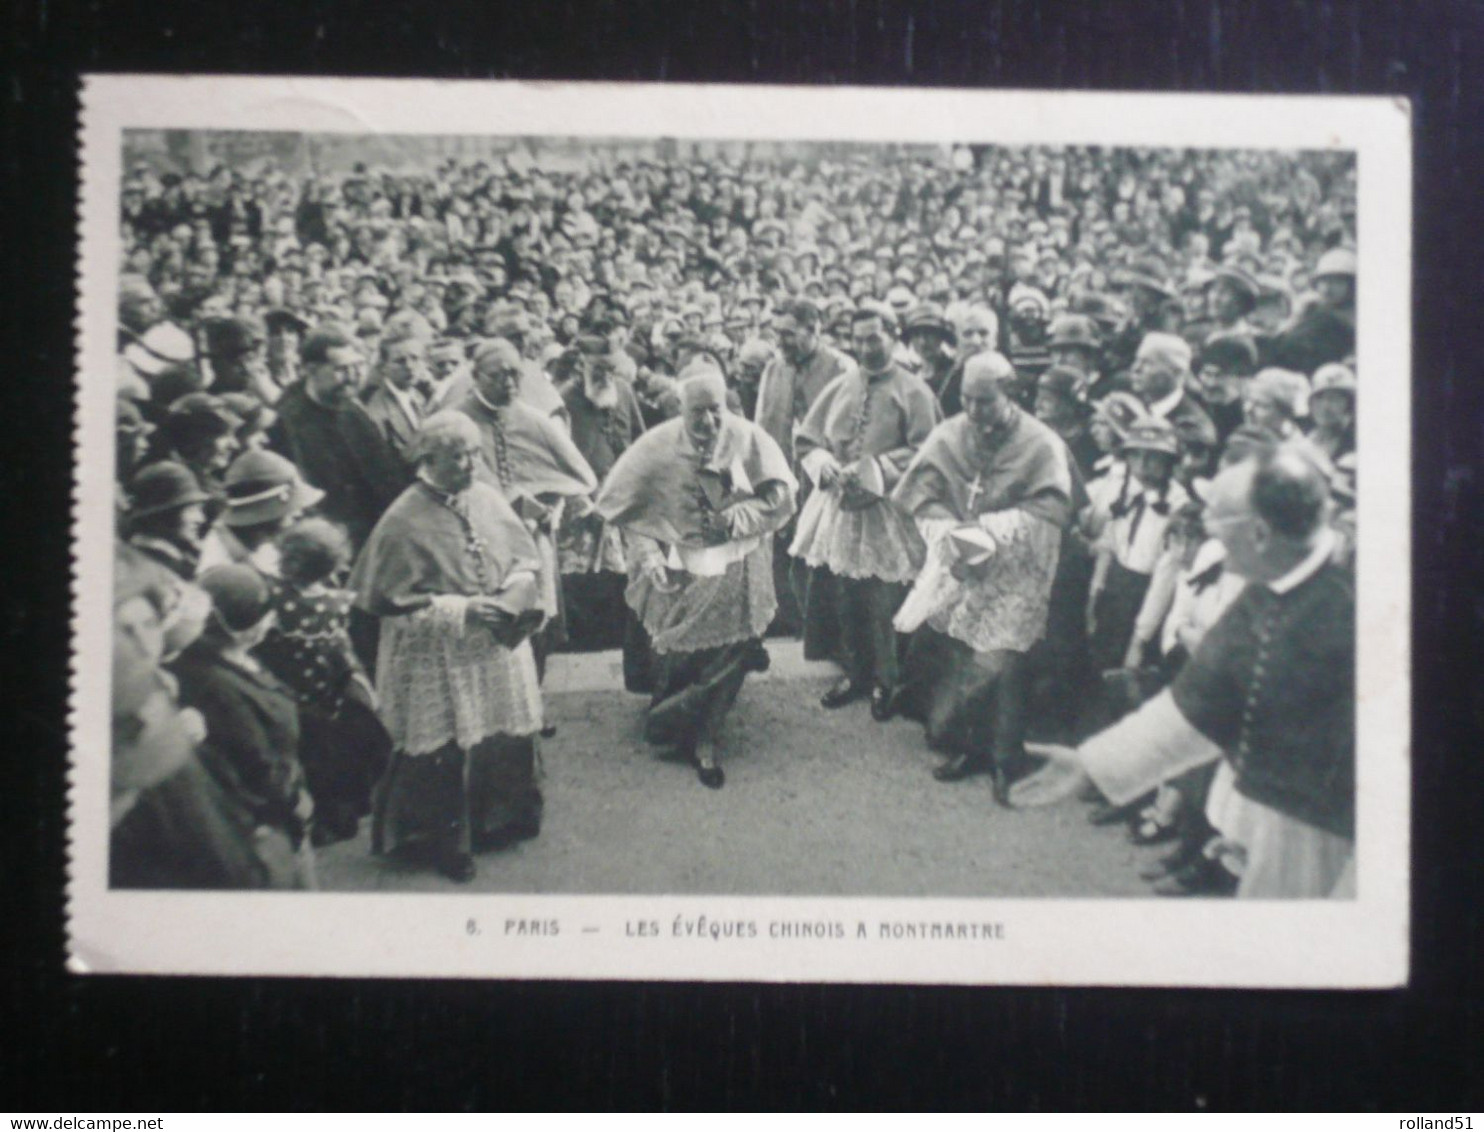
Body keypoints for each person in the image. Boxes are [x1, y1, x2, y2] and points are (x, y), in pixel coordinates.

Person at [1012, 448, 1355, 899]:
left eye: (1218, 531)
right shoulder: (1270, 582)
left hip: (1330, 835)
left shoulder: (1359, 604)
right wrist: (1094, 765)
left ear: (1259, 533)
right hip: (1268, 819)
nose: (1210, 547)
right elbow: (1198, 702)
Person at [349, 412, 548, 883]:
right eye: (458, 456)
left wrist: (515, 590)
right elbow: (391, 603)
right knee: (443, 745)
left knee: (501, 732)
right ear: (428, 458)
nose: (470, 465)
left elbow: (522, 557)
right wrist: (461, 610)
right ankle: (441, 841)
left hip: (494, 644)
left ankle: (498, 820)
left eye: (475, 453)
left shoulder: (484, 496)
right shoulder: (403, 517)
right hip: (437, 653)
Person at [595, 370, 798, 789]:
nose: (708, 423)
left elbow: (779, 497)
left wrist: (742, 516)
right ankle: (675, 714)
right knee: (678, 650)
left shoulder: (748, 437)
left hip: (735, 561)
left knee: (728, 651)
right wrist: (649, 553)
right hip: (677, 562)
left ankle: (704, 736)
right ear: (679, 410)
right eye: (697, 413)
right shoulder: (656, 446)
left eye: (715, 411)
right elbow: (629, 507)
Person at [890, 352, 1075, 801]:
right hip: (965, 562)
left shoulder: (1040, 443)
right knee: (966, 655)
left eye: (985, 402)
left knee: (1004, 662)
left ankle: (1006, 759)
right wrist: (952, 532)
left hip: (1018, 567)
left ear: (1009, 394)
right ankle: (973, 746)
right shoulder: (950, 433)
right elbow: (919, 493)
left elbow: (1052, 508)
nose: (973, 412)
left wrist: (992, 530)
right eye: (967, 400)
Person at [789, 305, 939, 718]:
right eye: (857, 340)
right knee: (845, 594)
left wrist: (877, 469)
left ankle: (887, 681)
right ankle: (855, 673)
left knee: (882, 598)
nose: (864, 347)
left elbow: (927, 451)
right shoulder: (841, 384)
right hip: (839, 504)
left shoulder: (914, 390)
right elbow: (807, 439)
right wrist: (825, 465)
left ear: (893, 336)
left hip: (885, 507)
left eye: (873, 338)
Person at [456, 337, 599, 681]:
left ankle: (534, 700)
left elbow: (578, 475)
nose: (508, 384)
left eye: (515, 375)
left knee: (539, 619)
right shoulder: (457, 421)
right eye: (498, 376)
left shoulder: (533, 418)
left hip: (531, 539)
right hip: (480, 544)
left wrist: (549, 502)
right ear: (476, 376)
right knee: (494, 624)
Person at [173, 564, 316, 888]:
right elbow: (258, 768)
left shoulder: (224, 658)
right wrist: (297, 803)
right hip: (264, 830)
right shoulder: (219, 688)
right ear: (244, 624)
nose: (272, 619)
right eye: (265, 613)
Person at [256, 517, 392, 847]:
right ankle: (335, 822)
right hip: (326, 699)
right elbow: (342, 655)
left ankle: (307, 819)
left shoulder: (274, 597)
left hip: (286, 696)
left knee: (301, 761)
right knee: (332, 764)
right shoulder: (334, 606)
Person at [270, 323, 410, 548]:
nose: (353, 377)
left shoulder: (352, 410)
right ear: (310, 369)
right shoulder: (286, 422)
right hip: (327, 541)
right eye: (342, 369)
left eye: (358, 367)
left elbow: (385, 473)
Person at [553, 340, 647, 650]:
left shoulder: (624, 390)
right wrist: (583, 501)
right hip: (581, 499)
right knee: (585, 576)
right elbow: (559, 458)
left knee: (625, 572)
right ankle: (586, 643)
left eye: (611, 368)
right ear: (582, 365)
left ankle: (618, 639)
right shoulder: (564, 400)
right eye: (599, 369)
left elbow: (639, 443)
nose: (606, 376)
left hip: (621, 494)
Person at [196, 448, 325, 577]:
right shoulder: (219, 567)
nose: (298, 513)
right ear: (266, 512)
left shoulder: (264, 550)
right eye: (290, 507)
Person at [753, 298, 855, 459]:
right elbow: (762, 429)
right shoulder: (772, 370)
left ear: (814, 330)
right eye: (776, 333)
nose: (779, 342)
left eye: (788, 335)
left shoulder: (841, 369)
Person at [124, 460, 214, 579]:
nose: (201, 519)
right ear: (166, 515)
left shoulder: (169, 558)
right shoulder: (157, 566)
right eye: (191, 510)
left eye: (200, 509)